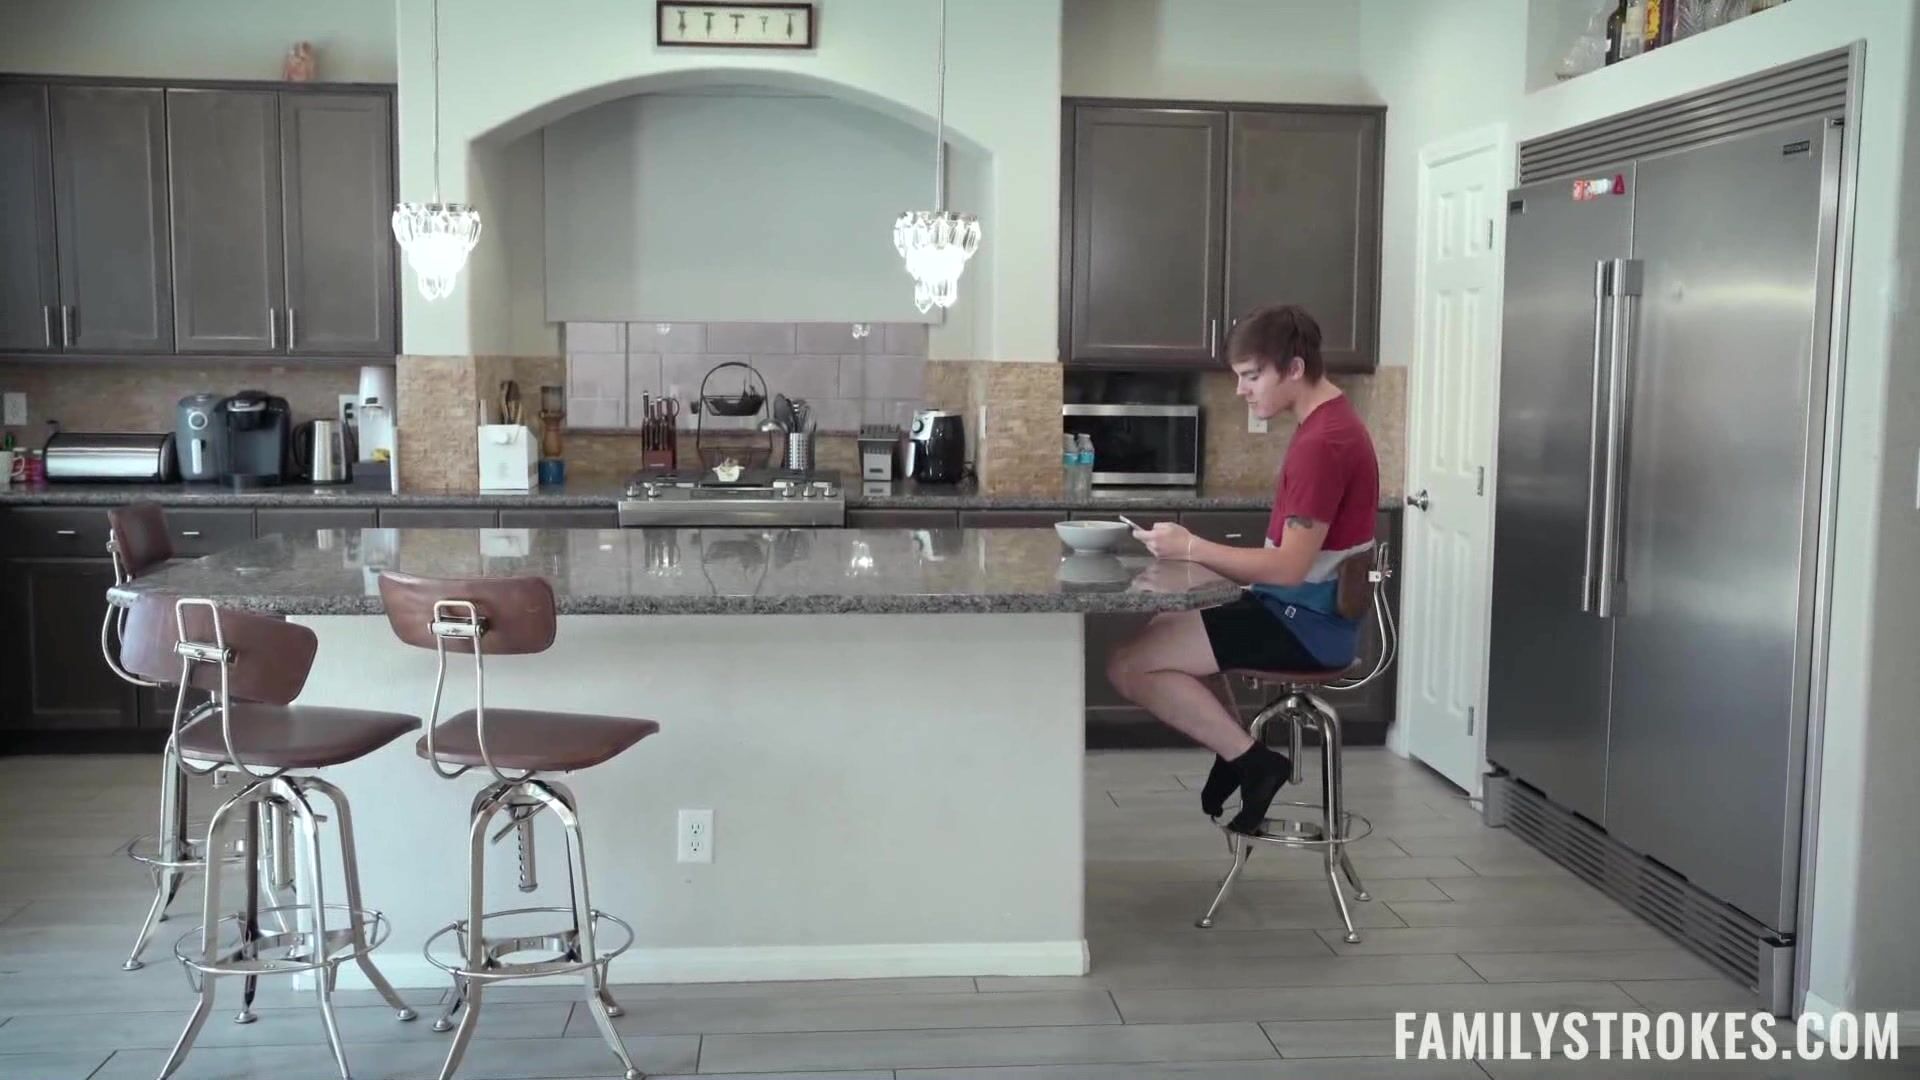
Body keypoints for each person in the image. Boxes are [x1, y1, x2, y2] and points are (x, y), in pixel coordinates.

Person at [1106, 304, 1380, 835]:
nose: (1241, 391)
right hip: (1305, 614)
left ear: (1294, 369)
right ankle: (1236, 752)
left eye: (1252, 376)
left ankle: (1253, 763)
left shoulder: (1324, 444)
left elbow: (1289, 567)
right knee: (1166, 625)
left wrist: (1191, 547)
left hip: (1305, 627)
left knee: (1127, 665)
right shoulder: (1331, 423)